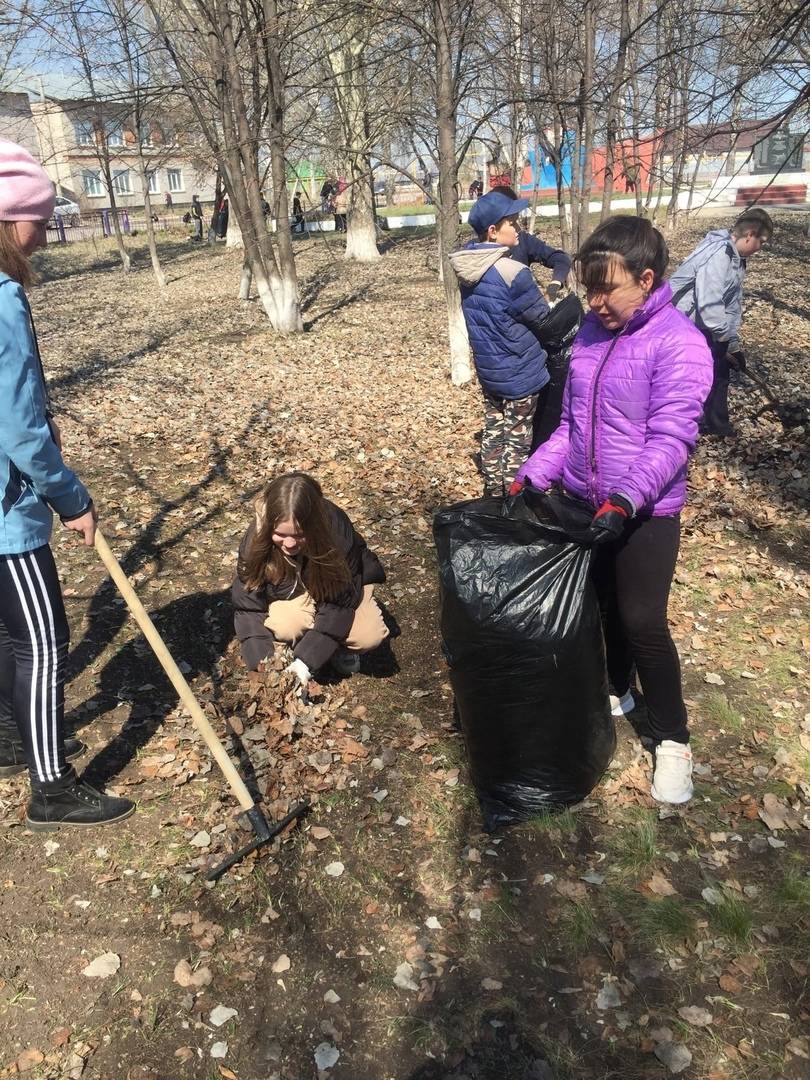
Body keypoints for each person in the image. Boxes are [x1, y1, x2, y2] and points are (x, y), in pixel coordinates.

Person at [511, 216, 713, 805]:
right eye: (589, 288)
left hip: (644, 510)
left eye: (608, 289)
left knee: (643, 620)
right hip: (583, 501)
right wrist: (532, 476)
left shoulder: (680, 343)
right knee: (600, 608)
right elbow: (572, 427)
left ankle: (672, 740)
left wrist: (625, 498)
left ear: (646, 280)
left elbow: (673, 439)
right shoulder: (593, 335)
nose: (594, 302)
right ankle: (616, 687)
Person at [0, 140, 135, 829]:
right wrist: (71, 499)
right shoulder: (3, 303)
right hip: (5, 517)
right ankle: (52, 788)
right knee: (44, 641)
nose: (46, 232)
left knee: (8, 635)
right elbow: (20, 431)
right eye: (40, 219)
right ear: (10, 219)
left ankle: (10, 740)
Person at [232, 473, 389, 690]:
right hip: (293, 591)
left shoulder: (336, 534)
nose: (288, 543)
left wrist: (306, 662)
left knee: (367, 635)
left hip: (338, 593)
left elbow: (339, 604)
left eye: (299, 535)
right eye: (279, 534)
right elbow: (248, 608)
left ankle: (338, 650)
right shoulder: (255, 542)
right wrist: (262, 666)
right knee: (286, 626)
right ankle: (302, 644)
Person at [448, 189, 554, 497]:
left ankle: (491, 495)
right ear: (493, 232)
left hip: (490, 370)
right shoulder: (513, 272)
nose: (519, 229)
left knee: (493, 432)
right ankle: (512, 502)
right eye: (513, 223)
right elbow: (541, 317)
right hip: (521, 371)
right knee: (517, 440)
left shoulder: (467, 266)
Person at [668, 208, 773, 437]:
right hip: (679, 322)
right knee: (698, 372)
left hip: (701, 322)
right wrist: (722, 337)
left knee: (719, 370)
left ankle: (714, 424)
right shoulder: (719, 253)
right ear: (750, 234)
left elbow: (732, 303)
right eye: (761, 242)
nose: (760, 248)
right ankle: (707, 425)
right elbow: (709, 301)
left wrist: (732, 343)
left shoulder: (737, 258)